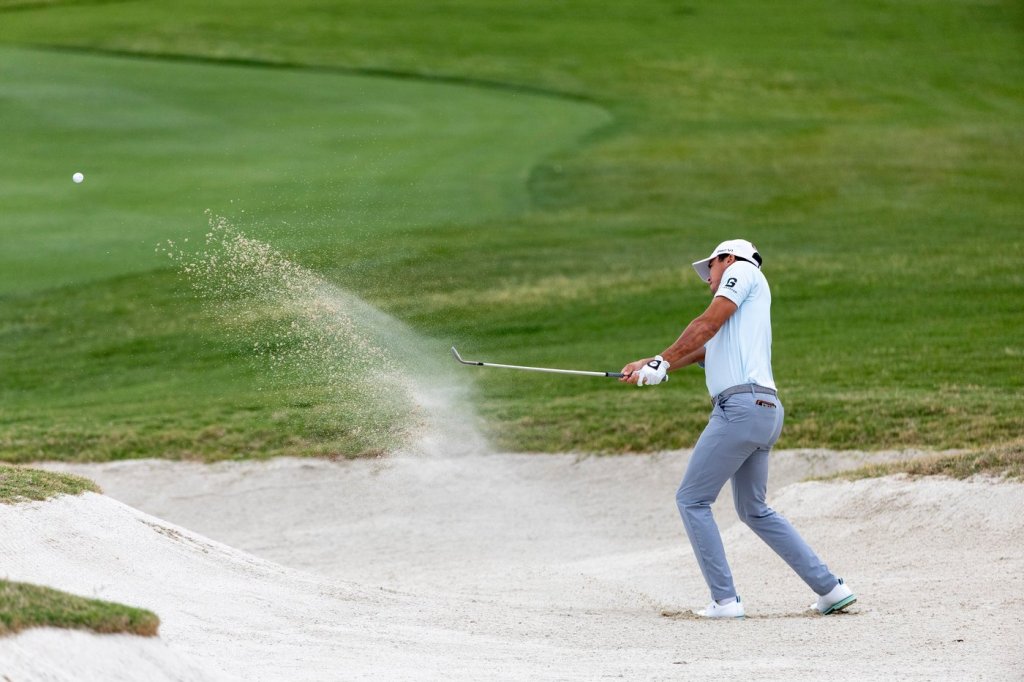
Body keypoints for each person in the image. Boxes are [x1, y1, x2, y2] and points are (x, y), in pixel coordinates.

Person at [619, 239, 856, 619]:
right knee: (754, 509)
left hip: (740, 409)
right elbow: (701, 348)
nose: (707, 279)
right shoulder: (739, 316)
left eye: (710, 268)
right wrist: (649, 364)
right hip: (764, 411)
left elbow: (705, 324)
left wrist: (662, 361)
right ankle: (831, 589)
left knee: (692, 500)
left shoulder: (742, 271)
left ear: (728, 259)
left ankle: (725, 601)